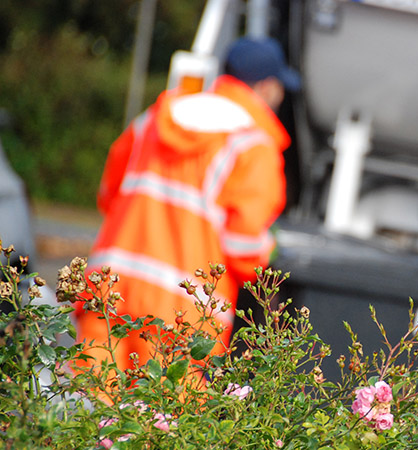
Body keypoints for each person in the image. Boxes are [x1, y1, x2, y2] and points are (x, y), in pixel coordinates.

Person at [73, 37, 301, 372]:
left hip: (110, 289)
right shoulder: (253, 145)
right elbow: (244, 243)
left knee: (88, 409)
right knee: (165, 419)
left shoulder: (155, 118)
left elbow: (109, 193)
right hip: (183, 315)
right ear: (267, 88)